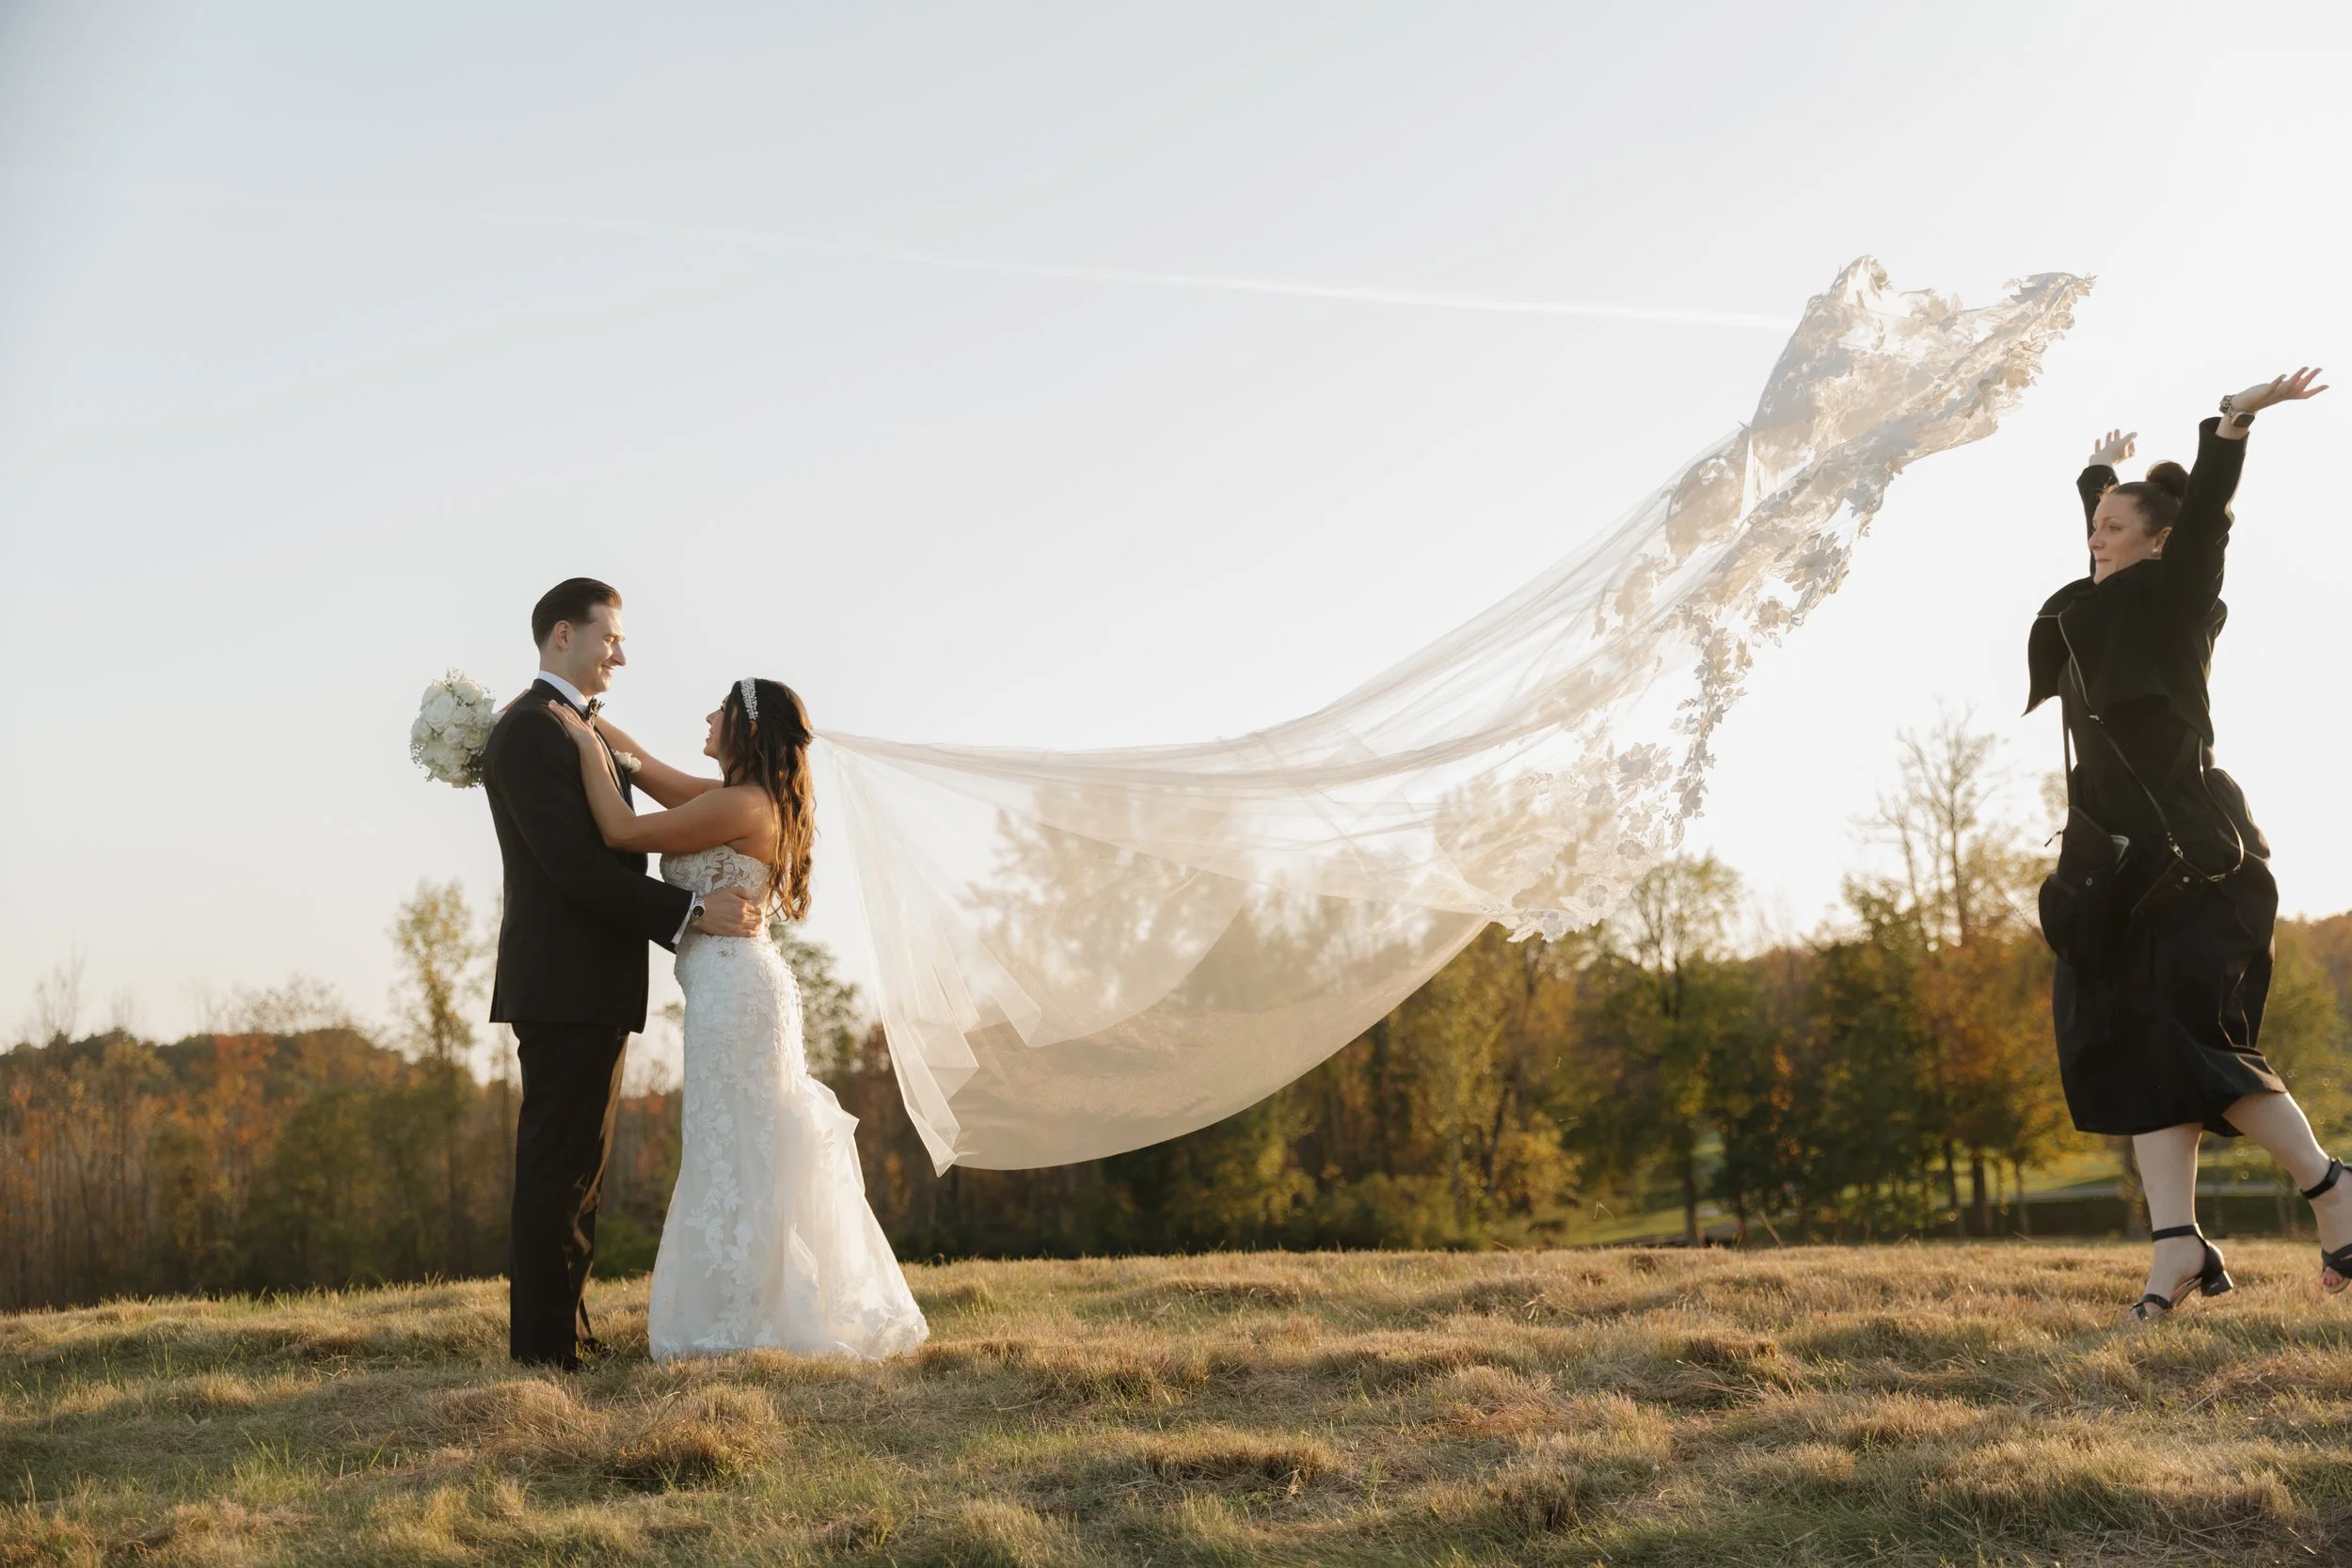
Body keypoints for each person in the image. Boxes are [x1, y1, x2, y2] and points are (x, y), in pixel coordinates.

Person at [2027, 368, 2340, 1323]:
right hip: (2109, 866)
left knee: (2194, 1046)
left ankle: (2335, 1192)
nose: (2097, 539)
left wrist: (2233, 425)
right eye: (2095, 528)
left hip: (2195, 862)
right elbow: (2104, 535)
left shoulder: (2170, 600)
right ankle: (2177, 1251)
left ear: (2159, 542)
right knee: (2119, 1044)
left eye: (2117, 529)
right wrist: (2095, 475)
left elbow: (2198, 521)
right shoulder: (2095, 604)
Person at [547, 677, 928, 1359]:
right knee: (743, 1145)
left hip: (735, 996)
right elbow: (650, 774)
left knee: (734, 1148)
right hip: (734, 989)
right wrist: (595, 723)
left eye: (719, 708)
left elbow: (622, 828)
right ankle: (751, 1303)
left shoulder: (743, 805)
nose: (706, 714)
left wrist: (579, 743)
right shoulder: (731, 798)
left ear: (747, 729)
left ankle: (745, 1316)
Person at [482, 578, 767, 1370]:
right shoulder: (533, 731)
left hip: (591, 982)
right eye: (611, 637)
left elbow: (640, 807)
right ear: (563, 634)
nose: (623, 653)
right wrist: (685, 917)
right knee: (558, 1169)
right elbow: (574, 865)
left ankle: (564, 1334)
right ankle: (542, 1353)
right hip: (563, 981)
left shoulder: (574, 725)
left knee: (580, 1171)